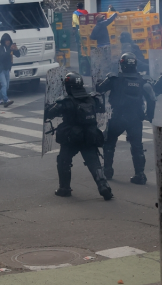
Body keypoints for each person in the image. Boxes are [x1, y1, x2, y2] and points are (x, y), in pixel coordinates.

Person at [45, 72, 113, 200]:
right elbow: (101, 109)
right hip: (90, 136)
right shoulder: (92, 99)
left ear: (68, 86)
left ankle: (64, 189)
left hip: (72, 138)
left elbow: (50, 113)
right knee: (94, 162)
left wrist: (48, 107)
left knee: (63, 160)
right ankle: (103, 186)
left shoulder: (65, 102)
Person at [97, 53, 156, 184]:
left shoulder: (114, 78)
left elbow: (99, 89)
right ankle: (140, 175)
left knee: (109, 143)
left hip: (118, 116)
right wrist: (149, 115)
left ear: (122, 64)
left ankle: (107, 171)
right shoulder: (143, 80)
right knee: (137, 147)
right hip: (135, 118)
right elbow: (152, 99)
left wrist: (99, 80)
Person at [0, 33, 20, 107]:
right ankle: (5, 100)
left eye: (9, 40)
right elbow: (2, 57)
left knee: (6, 86)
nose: (8, 42)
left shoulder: (9, 48)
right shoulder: (0, 48)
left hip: (7, 69)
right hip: (0, 69)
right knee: (4, 84)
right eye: (6, 40)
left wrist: (16, 50)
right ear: (3, 41)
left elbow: (18, 55)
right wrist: (10, 50)